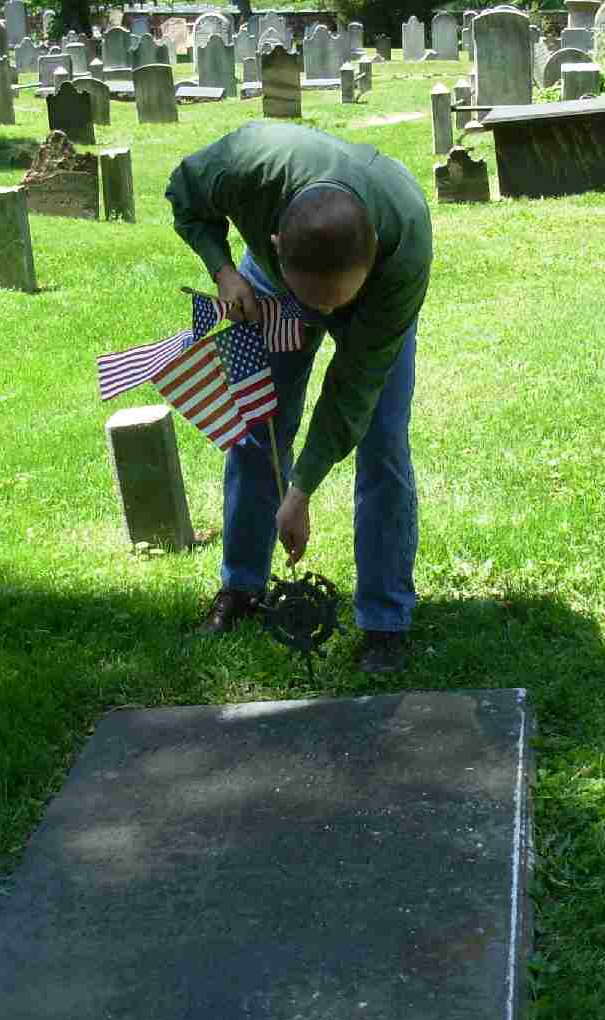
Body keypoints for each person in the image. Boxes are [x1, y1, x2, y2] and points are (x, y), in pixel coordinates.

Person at [165, 123, 432, 674]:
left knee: (382, 444)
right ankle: (241, 588)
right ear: (278, 245)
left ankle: (385, 621)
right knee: (258, 422)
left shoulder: (402, 246)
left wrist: (302, 489)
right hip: (268, 280)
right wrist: (224, 271)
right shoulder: (248, 166)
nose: (323, 317)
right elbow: (184, 194)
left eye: (336, 305)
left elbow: (350, 393)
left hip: (375, 299)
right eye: (316, 304)